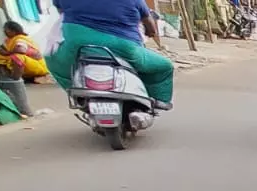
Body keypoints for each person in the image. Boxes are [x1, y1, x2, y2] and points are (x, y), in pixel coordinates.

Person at [46, 0, 174, 110]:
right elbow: (149, 25)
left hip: (78, 44)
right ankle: (157, 101)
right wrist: (150, 32)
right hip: (123, 47)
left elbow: (60, 10)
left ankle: (78, 95)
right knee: (164, 66)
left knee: (53, 61)